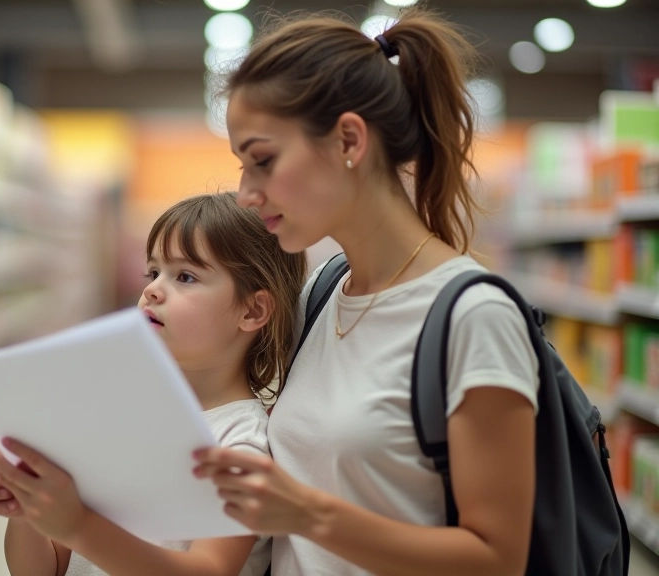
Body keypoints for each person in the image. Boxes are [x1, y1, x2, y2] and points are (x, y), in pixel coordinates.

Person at [191, 7, 541, 576]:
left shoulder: (472, 317)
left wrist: (308, 514)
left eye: (262, 160)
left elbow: (497, 559)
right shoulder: (322, 295)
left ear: (349, 140)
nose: (247, 193)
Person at [0, 192, 308, 576]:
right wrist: (28, 504)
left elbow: (210, 569)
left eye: (185, 276)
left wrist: (79, 527)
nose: (152, 290)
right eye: (153, 273)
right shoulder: (114, 414)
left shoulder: (240, 445)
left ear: (252, 310)